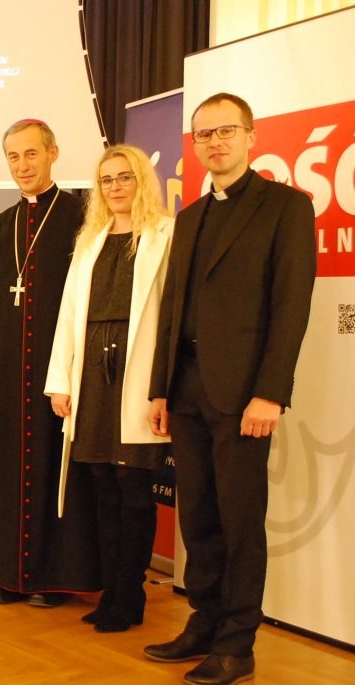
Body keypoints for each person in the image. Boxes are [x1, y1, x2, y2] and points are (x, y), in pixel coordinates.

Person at [144, 93, 316, 685]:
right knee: (198, 514)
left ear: (250, 136)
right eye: (203, 135)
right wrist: (159, 388)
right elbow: (173, 309)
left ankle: (238, 645)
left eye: (225, 131)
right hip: (187, 388)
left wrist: (271, 392)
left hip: (244, 392)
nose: (214, 143)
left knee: (241, 519)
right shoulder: (190, 215)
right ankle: (206, 621)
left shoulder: (286, 207)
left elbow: (291, 306)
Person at [0, 119, 99, 607]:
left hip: (60, 367)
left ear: (53, 153)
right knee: (6, 468)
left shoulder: (83, 215)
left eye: (31, 154)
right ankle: (9, 572)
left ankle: (53, 576)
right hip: (7, 370)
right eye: (13, 157)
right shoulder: (1, 225)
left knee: (56, 470)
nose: (22, 166)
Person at [44, 145, 174, 631]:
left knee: (133, 487)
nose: (116, 186)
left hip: (138, 369)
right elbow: (68, 315)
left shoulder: (166, 235)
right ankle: (111, 589)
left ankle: (130, 592)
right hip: (91, 371)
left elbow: (170, 320)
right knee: (100, 482)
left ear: (142, 180)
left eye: (125, 177)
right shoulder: (90, 239)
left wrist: (164, 385)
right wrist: (60, 380)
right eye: (106, 180)